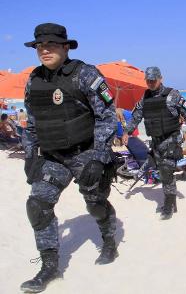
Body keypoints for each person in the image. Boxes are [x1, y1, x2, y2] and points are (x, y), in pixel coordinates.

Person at [20, 23, 118, 293]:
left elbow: (107, 117)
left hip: (85, 153)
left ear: (65, 46)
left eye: (51, 44)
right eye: (40, 45)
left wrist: (99, 158)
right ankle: (49, 266)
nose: (45, 50)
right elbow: (31, 123)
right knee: (37, 207)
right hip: (52, 157)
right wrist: (30, 157)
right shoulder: (34, 79)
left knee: (95, 203)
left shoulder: (85, 75)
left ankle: (109, 240)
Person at [122, 66, 186, 219]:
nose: (150, 83)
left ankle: (168, 206)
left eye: (153, 80)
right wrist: (127, 132)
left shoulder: (173, 94)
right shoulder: (145, 97)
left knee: (166, 172)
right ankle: (172, 202)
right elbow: (136, 116)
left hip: (171, 139)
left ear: (160, 78)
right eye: (148, 80)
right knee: (163, 173)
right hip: (156, 141)